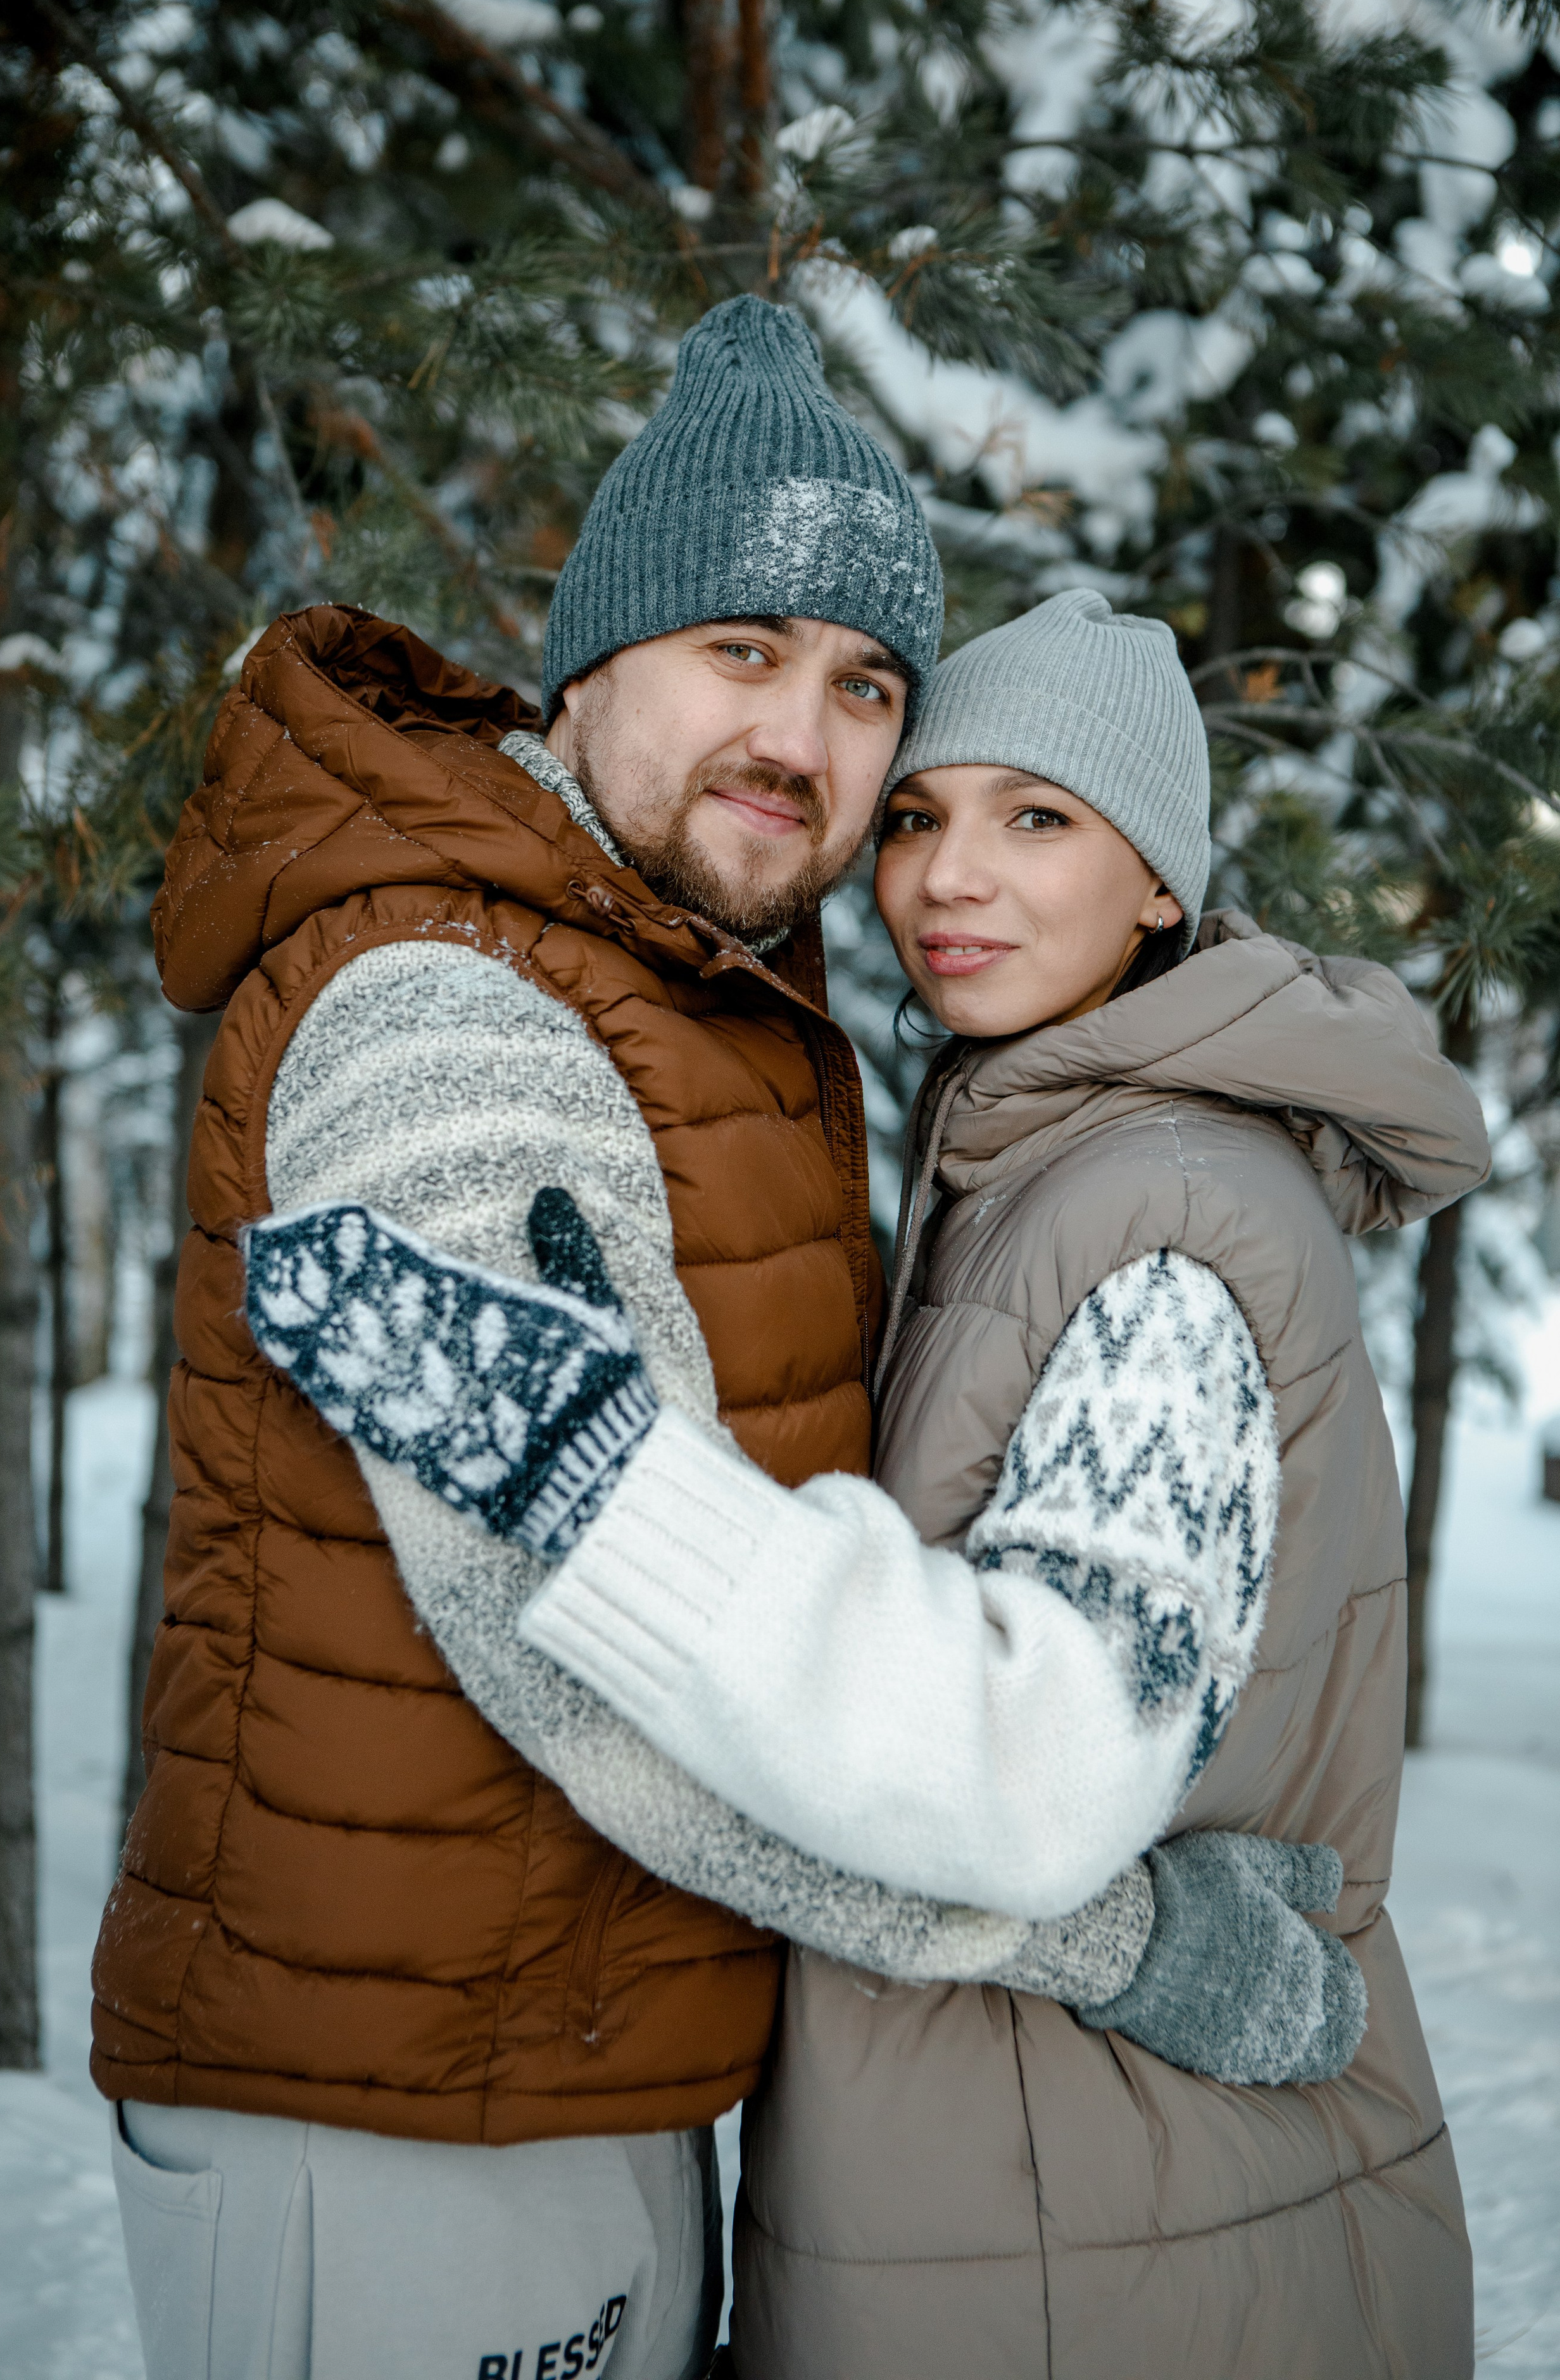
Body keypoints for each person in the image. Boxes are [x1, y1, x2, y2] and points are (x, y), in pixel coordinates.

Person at [101, 293, 1364, 2380]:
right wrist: (1112, 1939)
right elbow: (595, 1656)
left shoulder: (676, 988)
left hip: (561, 2052)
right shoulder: (451, 1010)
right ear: (593, 661)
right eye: (742, 652)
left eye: (867, 683)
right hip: (395, 2100)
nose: (809, 738)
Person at [249, 590, 1490, 2378]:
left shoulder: (1166, 1222)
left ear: (1161, 882)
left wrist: (593, 1473)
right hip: (1028, 2183)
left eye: (1038, 818)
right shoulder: (1039, 1155)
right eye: (918, 815)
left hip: (1104, 2230)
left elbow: (1047, 1764)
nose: (946, 880)